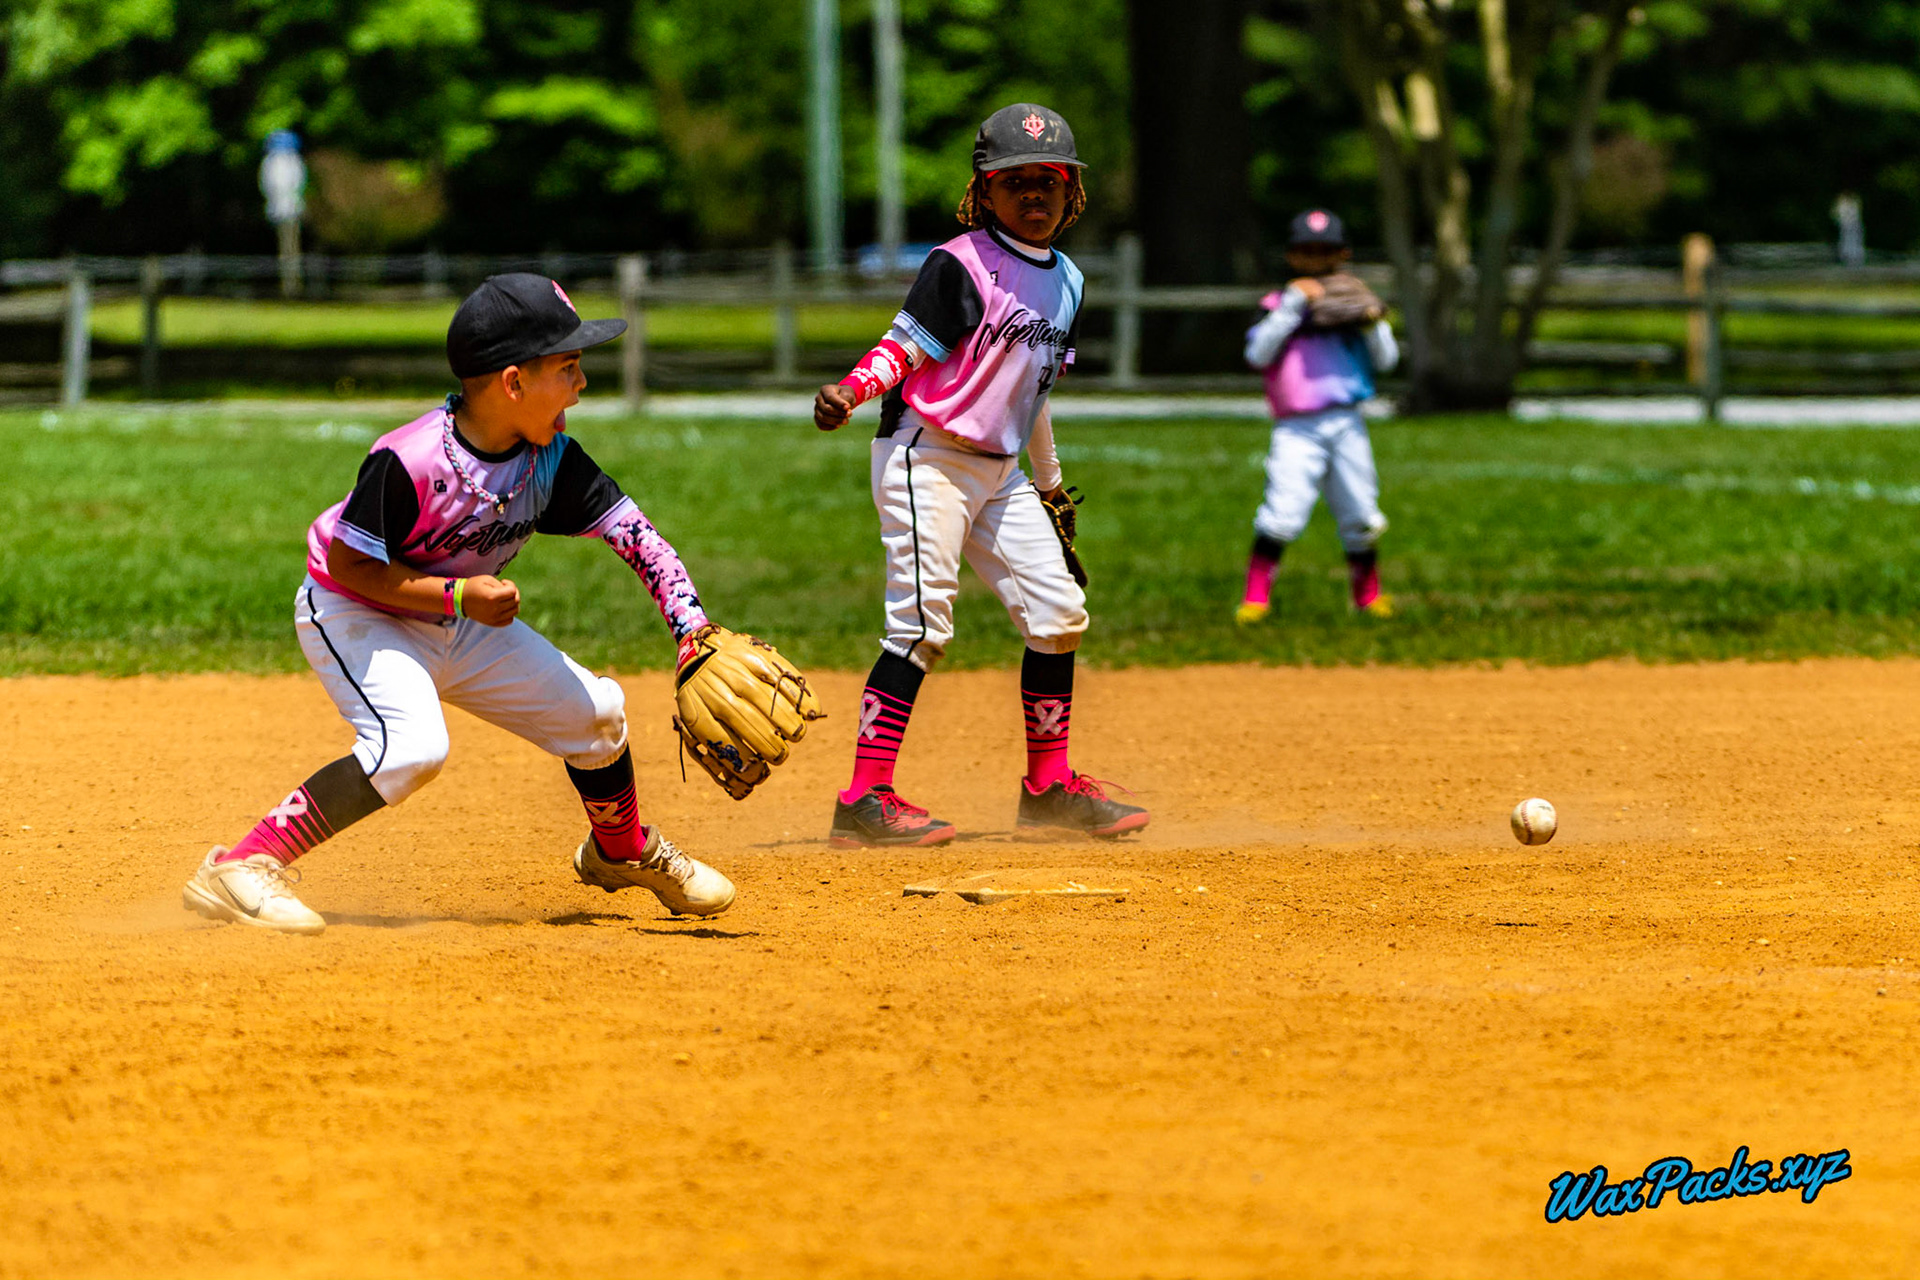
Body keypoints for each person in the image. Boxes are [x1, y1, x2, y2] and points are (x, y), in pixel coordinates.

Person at [183, 274, 738, 934]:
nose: (581, 385)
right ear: (512, 384)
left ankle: (620, 853)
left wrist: (691, 630)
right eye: (568, 368)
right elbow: (348, 564)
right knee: (412, 748)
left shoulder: (551, 461)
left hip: (456, 617)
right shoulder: (409, 460)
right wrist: (456, 594)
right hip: (355, 609)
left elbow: (636, 536)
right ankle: (241, 865)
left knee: (597, 715)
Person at [812, 103, 1148, 848]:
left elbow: (1036, 392)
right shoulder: (960, 263)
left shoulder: (1069, 281)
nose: (1035, 196)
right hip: (924, 455)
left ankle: (1049, 788)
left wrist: (1052, 485)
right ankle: (864, 799)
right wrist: (850, 390)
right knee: (923, 625)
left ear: (1072, 194)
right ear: (983, 191)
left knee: (1058, 616)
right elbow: (902, 349)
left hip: (1000, 472)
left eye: (1050, 182)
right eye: (1015, 181)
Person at [1237, 208, 1400, 624]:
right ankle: (1256, 597)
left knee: (1361, 511)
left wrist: (1372, 320)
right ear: (1292, 256)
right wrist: (1293, 307)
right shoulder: (1277, 304)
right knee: (1283, 510)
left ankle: (1368, 596)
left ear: (1341, 254)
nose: (1316, 260)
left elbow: (1388, 360)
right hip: (1296, 425)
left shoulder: (1354, 303)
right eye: (1306, 252)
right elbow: (1257, 354)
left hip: (1347, 421)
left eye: (1324, 251)